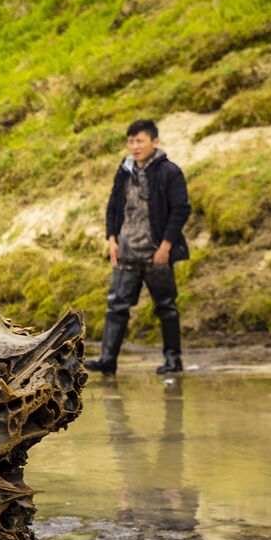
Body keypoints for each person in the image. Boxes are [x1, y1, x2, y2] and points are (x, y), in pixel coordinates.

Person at [84, 118, 191, 376]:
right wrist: (112, 240)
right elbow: (113, 207)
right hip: (126, 252)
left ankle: (173, 360)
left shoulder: (169, 172)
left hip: (156, 252)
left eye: (139, 140)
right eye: (130, 141)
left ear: (154, 142)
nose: (134, 146)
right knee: (116, 307)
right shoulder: (124, 170)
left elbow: (180, 210)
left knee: (166, 307)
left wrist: (165, 246)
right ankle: (108, 359)